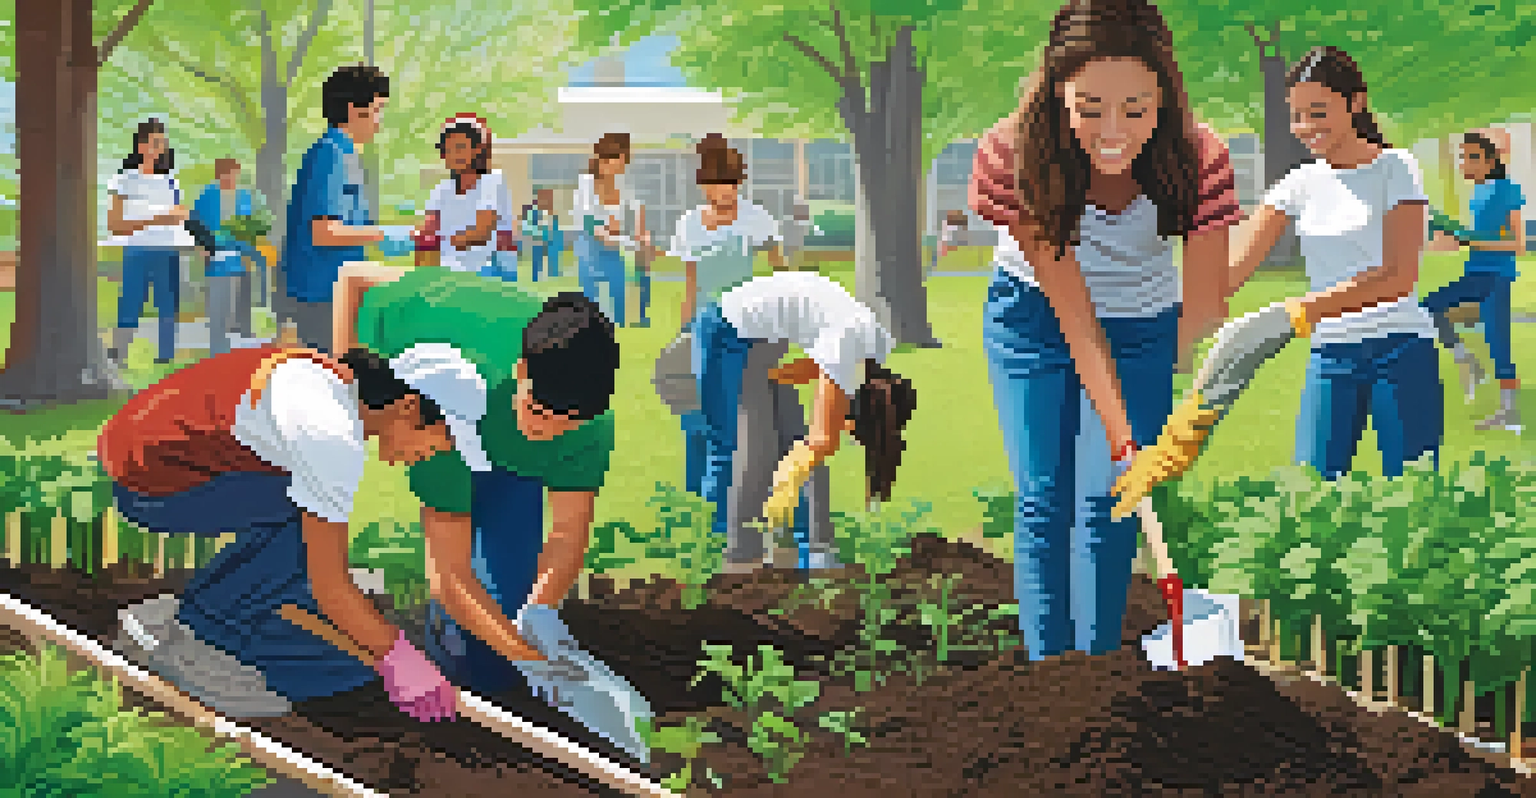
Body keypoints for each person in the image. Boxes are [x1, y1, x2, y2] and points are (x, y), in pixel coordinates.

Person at [969, 0, 1241, 662]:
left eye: (1135, 109)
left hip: (1146, 327)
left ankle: (1097, 677)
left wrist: (1167, 414)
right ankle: (1049, 675)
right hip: (1033, 322)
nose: (1113, 131)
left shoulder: (1199, 158)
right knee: (1044, 499)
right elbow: (1073, 316)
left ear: (1163, 96)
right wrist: (1122, 428)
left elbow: (1205, 305)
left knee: (1110, 502)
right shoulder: (1013, 153)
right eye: (1089, 108)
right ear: (1056, 90)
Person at [99, 342, 489, 723]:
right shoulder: (330, 434)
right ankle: (197, 639)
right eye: (446, 440)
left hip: (156, 461)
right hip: (149, 485)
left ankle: (201, 614)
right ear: (408, 407)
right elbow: (330, 587)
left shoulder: (333, 386)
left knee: (312, 568)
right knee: (305, 521)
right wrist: (398, 655)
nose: (437, 453)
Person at [331, 263, 621, 703]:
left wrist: (537, 619)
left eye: (567, 425)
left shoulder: (590, 425)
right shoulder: (439, 400)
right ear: (521, 372)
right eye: (538, 414)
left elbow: (566, 533)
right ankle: (440, 644)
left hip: (505, 443)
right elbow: (450, 579)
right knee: (472, 654)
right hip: (446, 342)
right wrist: (345, 388)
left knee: (498, 651)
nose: (548, 432)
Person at [1228, 46, 1443, 477]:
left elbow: (1398, 277)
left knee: (1413, 497)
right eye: (1297, 115)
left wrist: (1302, 310)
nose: (1306, 127)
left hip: (1400, 349)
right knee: (1309, 487)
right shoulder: (1299, 184)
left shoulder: (1395, 168)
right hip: (1331, 355)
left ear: (1355, 103)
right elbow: (1230, 271)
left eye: (1319, 112)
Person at [718, 272, 918, 559]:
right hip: (733, 332)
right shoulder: (849, 347)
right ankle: (744, 555)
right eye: (850, 429)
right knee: (755, 450)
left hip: (764, 333)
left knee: (794, 446)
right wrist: (782, 488)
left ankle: (810, 546)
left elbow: (821, 365)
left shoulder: (873, 351)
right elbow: (822, 438)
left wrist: (774, 377)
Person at [668, 134, 786, 543]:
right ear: (703, 185)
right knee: (697, 427)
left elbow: (778, 271)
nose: (726, 191)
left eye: (733, 183)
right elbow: (690, 284)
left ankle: (717, 527)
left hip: (745, 329)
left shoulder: (756, 219)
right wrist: (683, 334)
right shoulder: (688, 224)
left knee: (727, 432)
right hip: (703, 327)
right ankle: (696, 518)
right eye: (718, 183)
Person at [281, 64, 406, 353]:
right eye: (377, 109)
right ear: (354, 109)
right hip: (322, 293)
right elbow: (323, 233)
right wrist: (383, 235)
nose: (380, 120)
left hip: (333, 288)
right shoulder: (331, 155)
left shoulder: (343, 153)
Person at [1421, 128, 1525, 432]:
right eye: (1463, 157)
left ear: (1491, 161)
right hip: (1474, 274)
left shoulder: (1508, 190)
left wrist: (1471, 240)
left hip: (1496, 277)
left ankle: (1510, 413)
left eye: (1473, 158)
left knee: (1497, 340)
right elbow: (1474, 238)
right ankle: (1467, 359)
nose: (1466, 163)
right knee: (1427, 307)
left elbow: (1518, 244)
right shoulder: (1478, 193)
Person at [106, 118, 191, 365]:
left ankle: (166, 358)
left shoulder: (170, 181)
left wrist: (180, 220)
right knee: (130, 303)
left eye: (162, 143)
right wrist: (158, 218)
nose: (160, 148)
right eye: (155, 143)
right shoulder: (125, 180)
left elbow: (180, 215)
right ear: (141, 146)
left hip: (168, 250)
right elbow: (115, 225)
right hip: (137, 250)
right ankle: (119, 356)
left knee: (168, 305)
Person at [418, 114, 515, 278]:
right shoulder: (442, 190)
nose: (453, 155)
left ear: (477, 149)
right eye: (447, 150)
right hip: (449, 269)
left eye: (460, 148)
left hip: (488, 270)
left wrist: (443, 239)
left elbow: (481, 234)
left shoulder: (492, 182)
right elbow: (427, 230)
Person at [192, 158, 265, 356]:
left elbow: (251, 224)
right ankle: (217, 347)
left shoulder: (243, 196)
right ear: (219, 175)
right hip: (217, 254)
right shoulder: (208, 195)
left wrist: (250, 249)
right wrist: (202, 246)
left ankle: (233, 340)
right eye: (227, 174)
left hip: (239, 255)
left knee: (235, 301)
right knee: (218, 301)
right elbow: (194, 222)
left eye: (234, 174)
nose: (231, 178)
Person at [572, 133, 644, 327]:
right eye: (618, 160)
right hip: (589, 242)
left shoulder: (620, 183)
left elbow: (636, 206)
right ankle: (592, 326)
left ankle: (618, 324)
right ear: (603, 160)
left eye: (623, 161)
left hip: (611, 244)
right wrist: (603, 231)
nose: (621, 166)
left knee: (618, 284)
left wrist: (639, 230)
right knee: (591, 292)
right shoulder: (587, 182)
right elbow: (587, 217)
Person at [521, 189, 563, 281]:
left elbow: (554, 226)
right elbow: (528, 226)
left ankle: (553, 272)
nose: (548, 200)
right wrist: (536, 234)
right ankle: (536, 275)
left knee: (553, 252)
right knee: (537, 257)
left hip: (550, 237)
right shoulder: (532, 212)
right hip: (537, 238)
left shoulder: (551, 212)